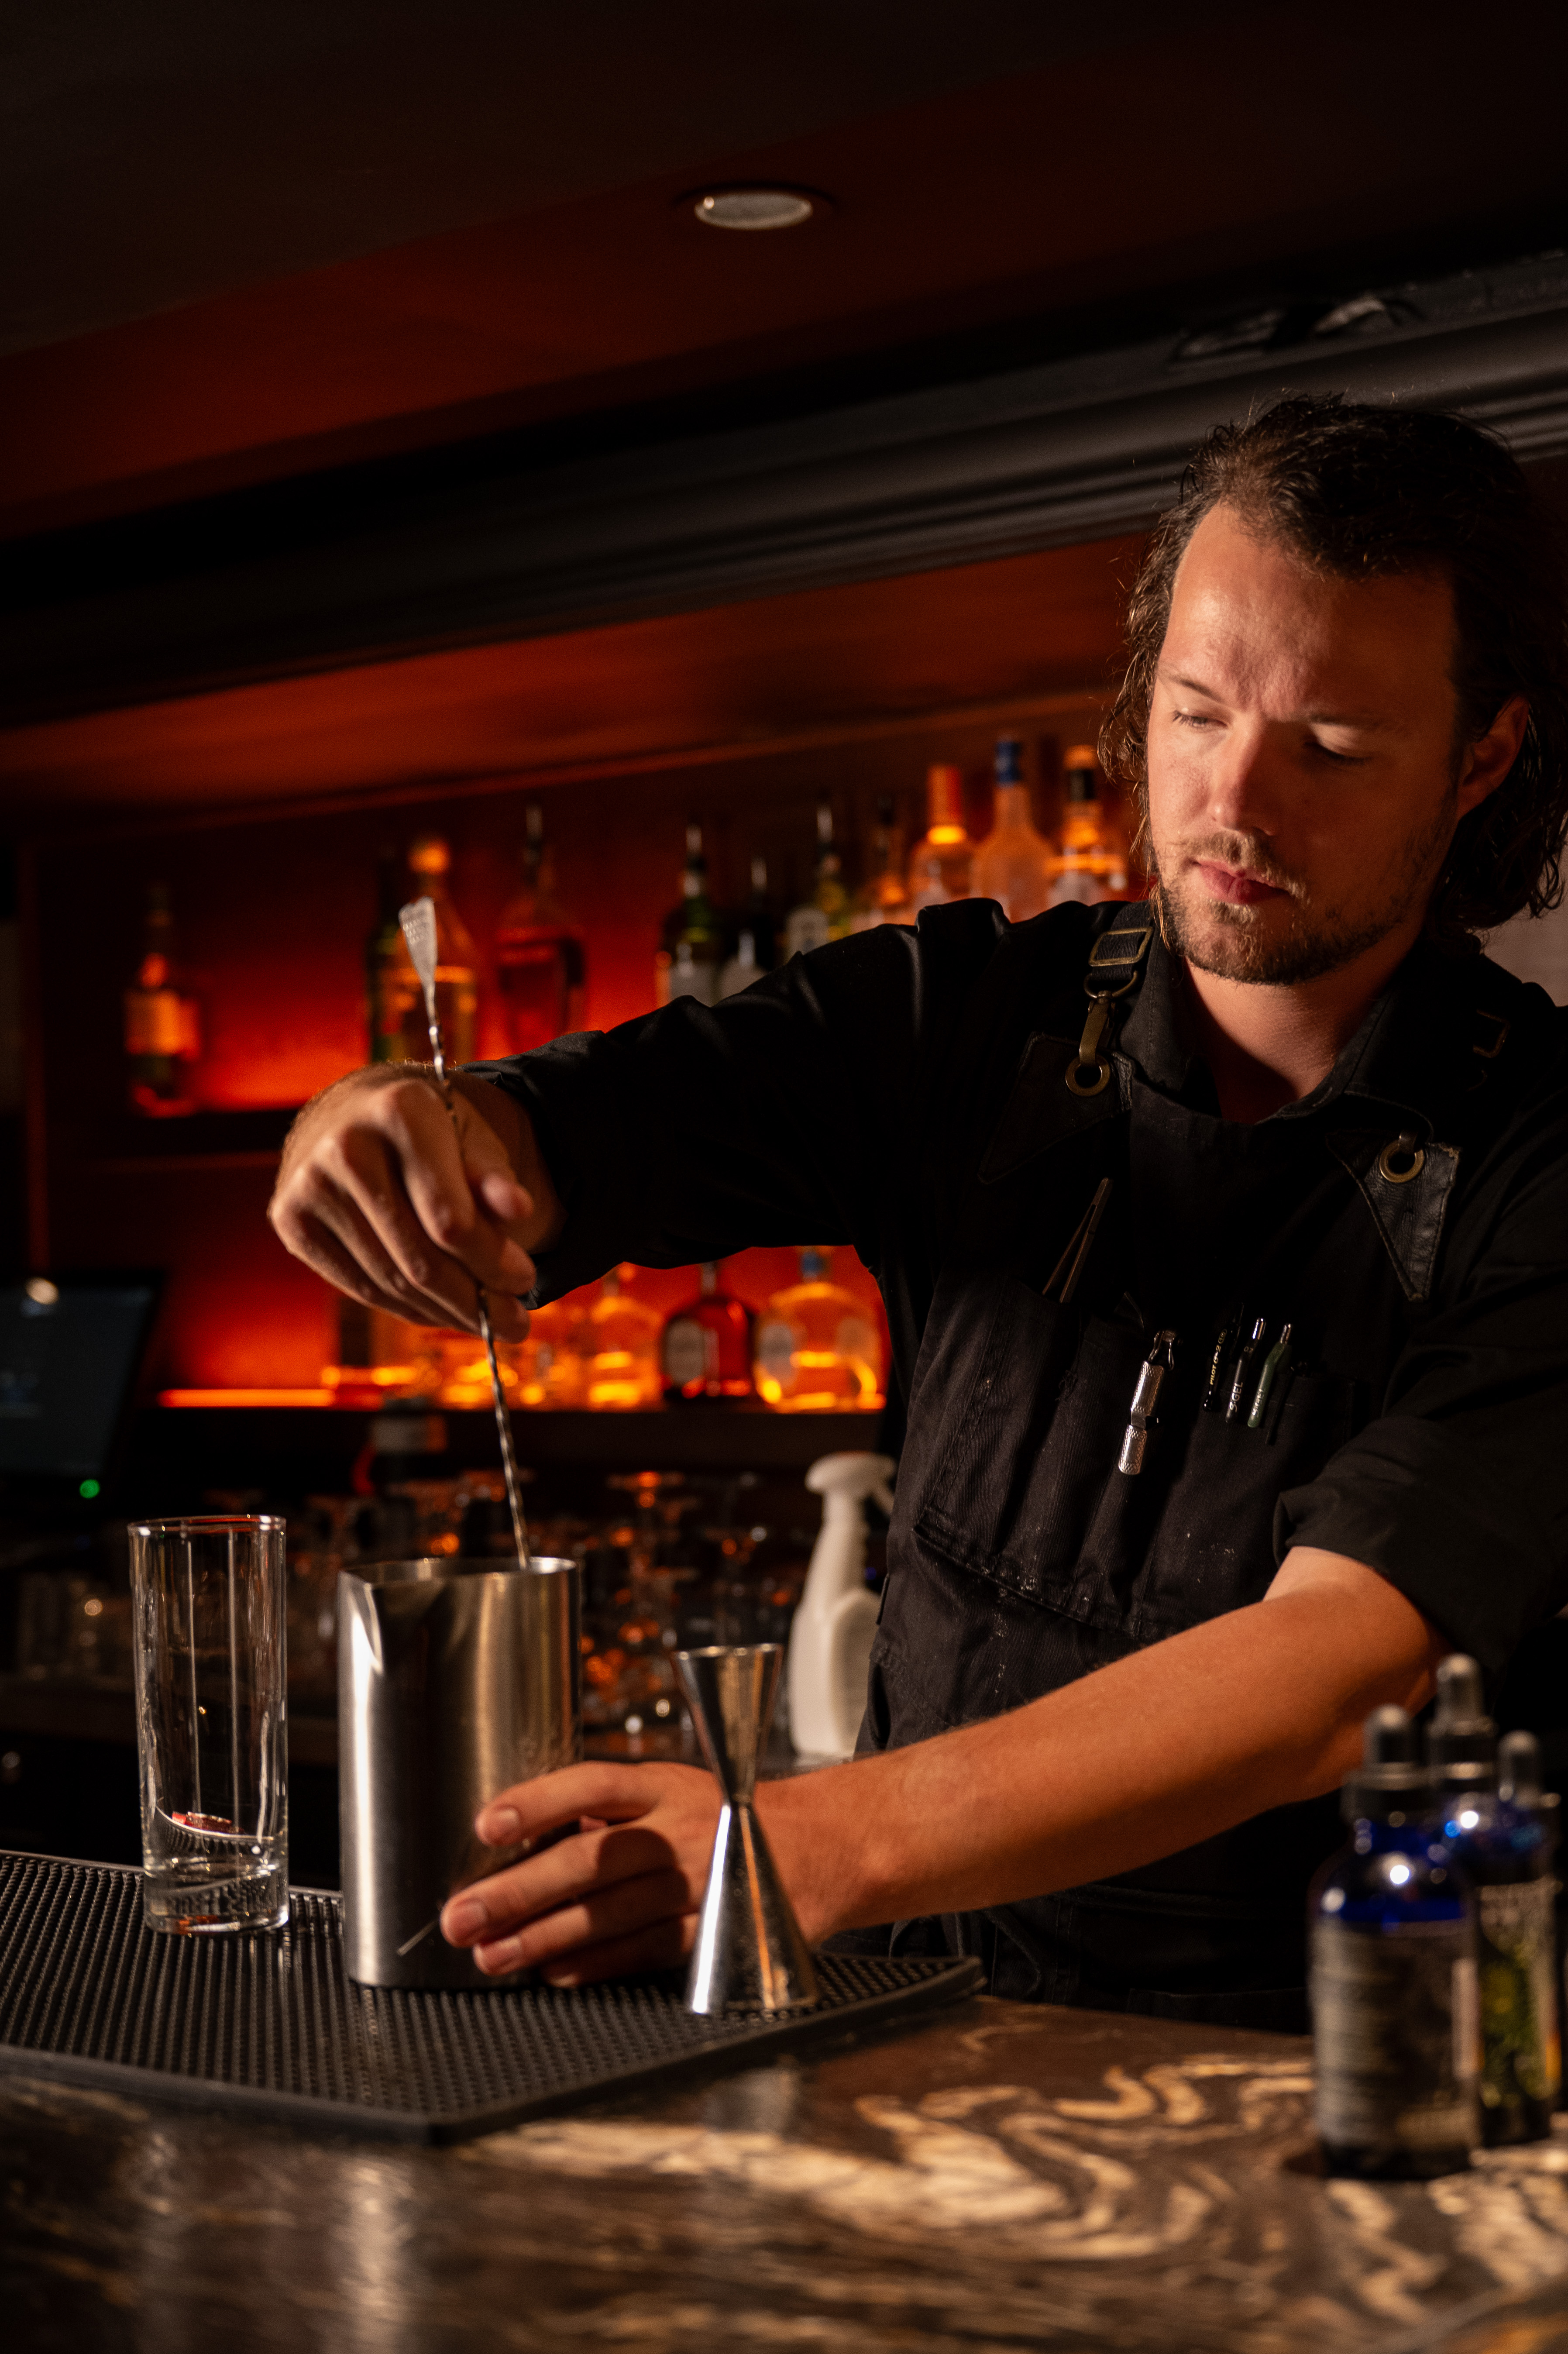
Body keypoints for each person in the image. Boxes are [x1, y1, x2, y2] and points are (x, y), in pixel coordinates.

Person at [271, 396, 1568, 2028]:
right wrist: (392, 1114)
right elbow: (565, 1127)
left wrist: (804, 1840)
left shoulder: (1541, 1160)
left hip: (1323, 2079)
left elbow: (1339, 1663)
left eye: (1335, 747)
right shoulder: (973, 1021)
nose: (1236, 800)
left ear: (1484, 759)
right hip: (902, 2031)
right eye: (1192, 712)